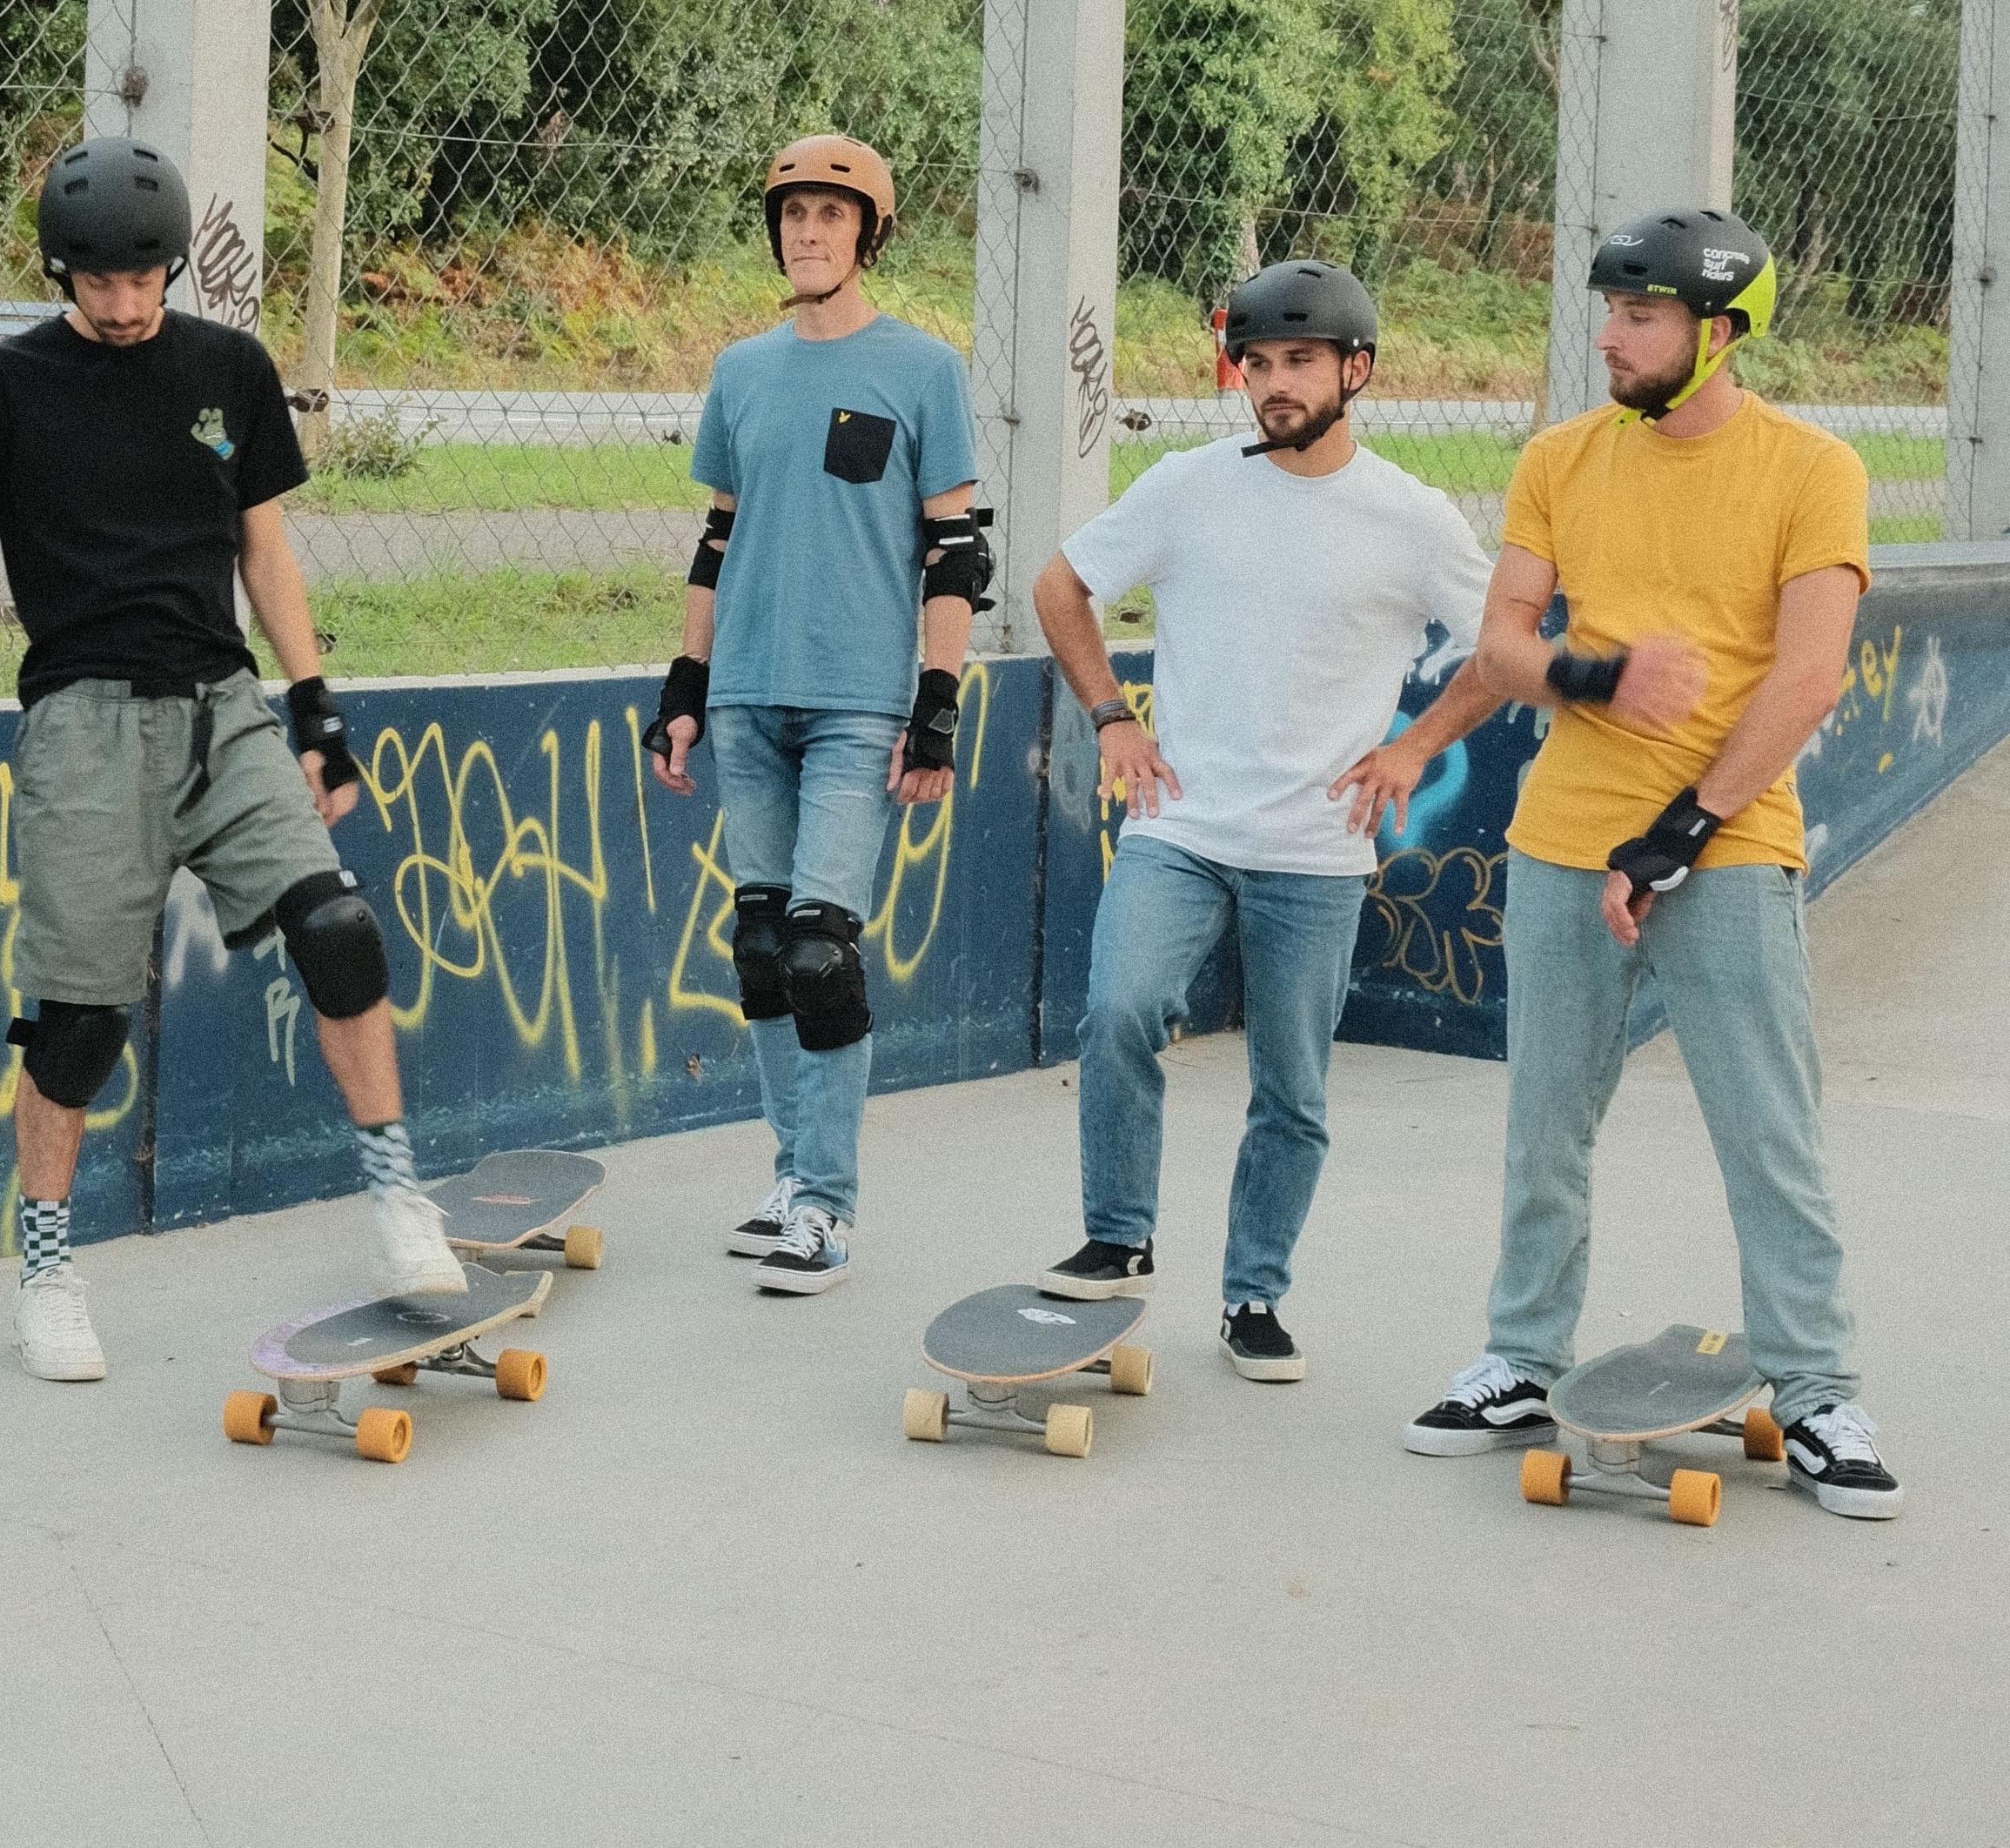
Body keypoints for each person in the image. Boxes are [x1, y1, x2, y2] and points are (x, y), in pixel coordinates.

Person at [0, 136, 461, 1384]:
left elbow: (263, 548)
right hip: (83, 725)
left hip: (224, 708)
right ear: (62, 274)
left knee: (342, 929)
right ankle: (46, 1268)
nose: (126, 303)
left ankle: (398, 1203)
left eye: (147, 278)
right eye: (100, 283)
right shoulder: (4, 387)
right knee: (82, 1024)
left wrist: (315, 708)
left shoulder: (229, 369)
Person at [1399, 208, 1901, 1520]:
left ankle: (1813, 1389)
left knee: (1767, 1132)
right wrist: (1597, 674)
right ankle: (1520, 1355)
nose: (1610, 338)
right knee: (1544, 1124)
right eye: (1608, 312)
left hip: (1727, 846)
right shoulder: (1564, 458)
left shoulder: (1812, 470)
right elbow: (1506, 641)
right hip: (1560, 840)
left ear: (1719, 333)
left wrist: (1681, 832)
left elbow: (1807, 679)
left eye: (1641, 317)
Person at [1026, 260, 1503, 1381]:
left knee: (1291, 1085)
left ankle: (1254, 1297)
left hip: (1315, 849)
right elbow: (1061, 586)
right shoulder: (1189, 484)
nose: (1274, 384)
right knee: (1121, 1010)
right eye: (1259, 363)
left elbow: (1504, 649)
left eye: (1300, 362)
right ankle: (1118, 1236)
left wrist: (1414, 746)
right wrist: (1110, 717)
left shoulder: (1409, 517)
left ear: (1357, 371)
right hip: (1180, 824)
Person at [640, 133, 987, 1296]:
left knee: (821, 949)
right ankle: (791, 1176)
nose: (808, 232)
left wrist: (935, 705)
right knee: (758, 948)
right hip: (744, 692)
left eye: (832, 216)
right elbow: (717, 540)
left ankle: (829, 1212)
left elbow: (956, 553)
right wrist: (683, 691)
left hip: (856, 704)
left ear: (869, 234)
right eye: (793, 214)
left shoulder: (924, 371)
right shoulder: (742, 371)